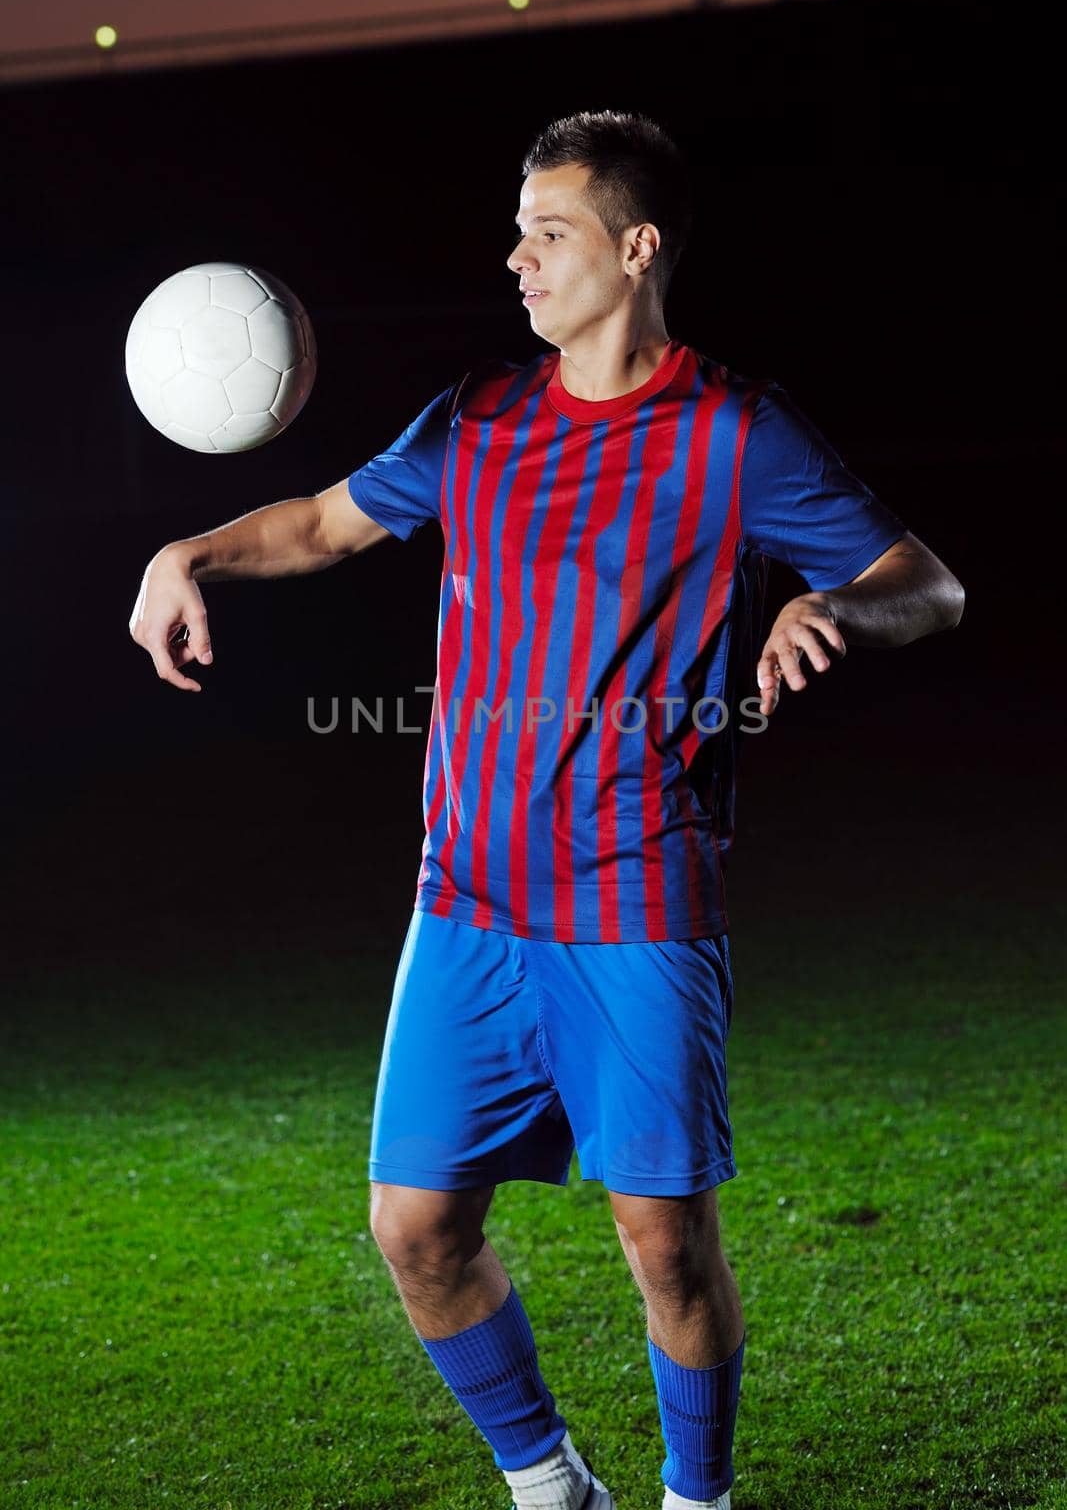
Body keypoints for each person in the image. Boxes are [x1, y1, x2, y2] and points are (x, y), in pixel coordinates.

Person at [130, 109, 965, 1510]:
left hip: (639, 905)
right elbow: (326, 523)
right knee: (416, 1230)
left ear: (637, 250)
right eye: (518, 230)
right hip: (463, 908)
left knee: (664, 1243)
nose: (518, 259)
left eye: (552, 232)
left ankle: (698, 1501)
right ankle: (550, 1487)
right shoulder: (478, 421)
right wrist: (187, 549)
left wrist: (832, 602)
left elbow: (928, 585)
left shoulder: (734, 434)